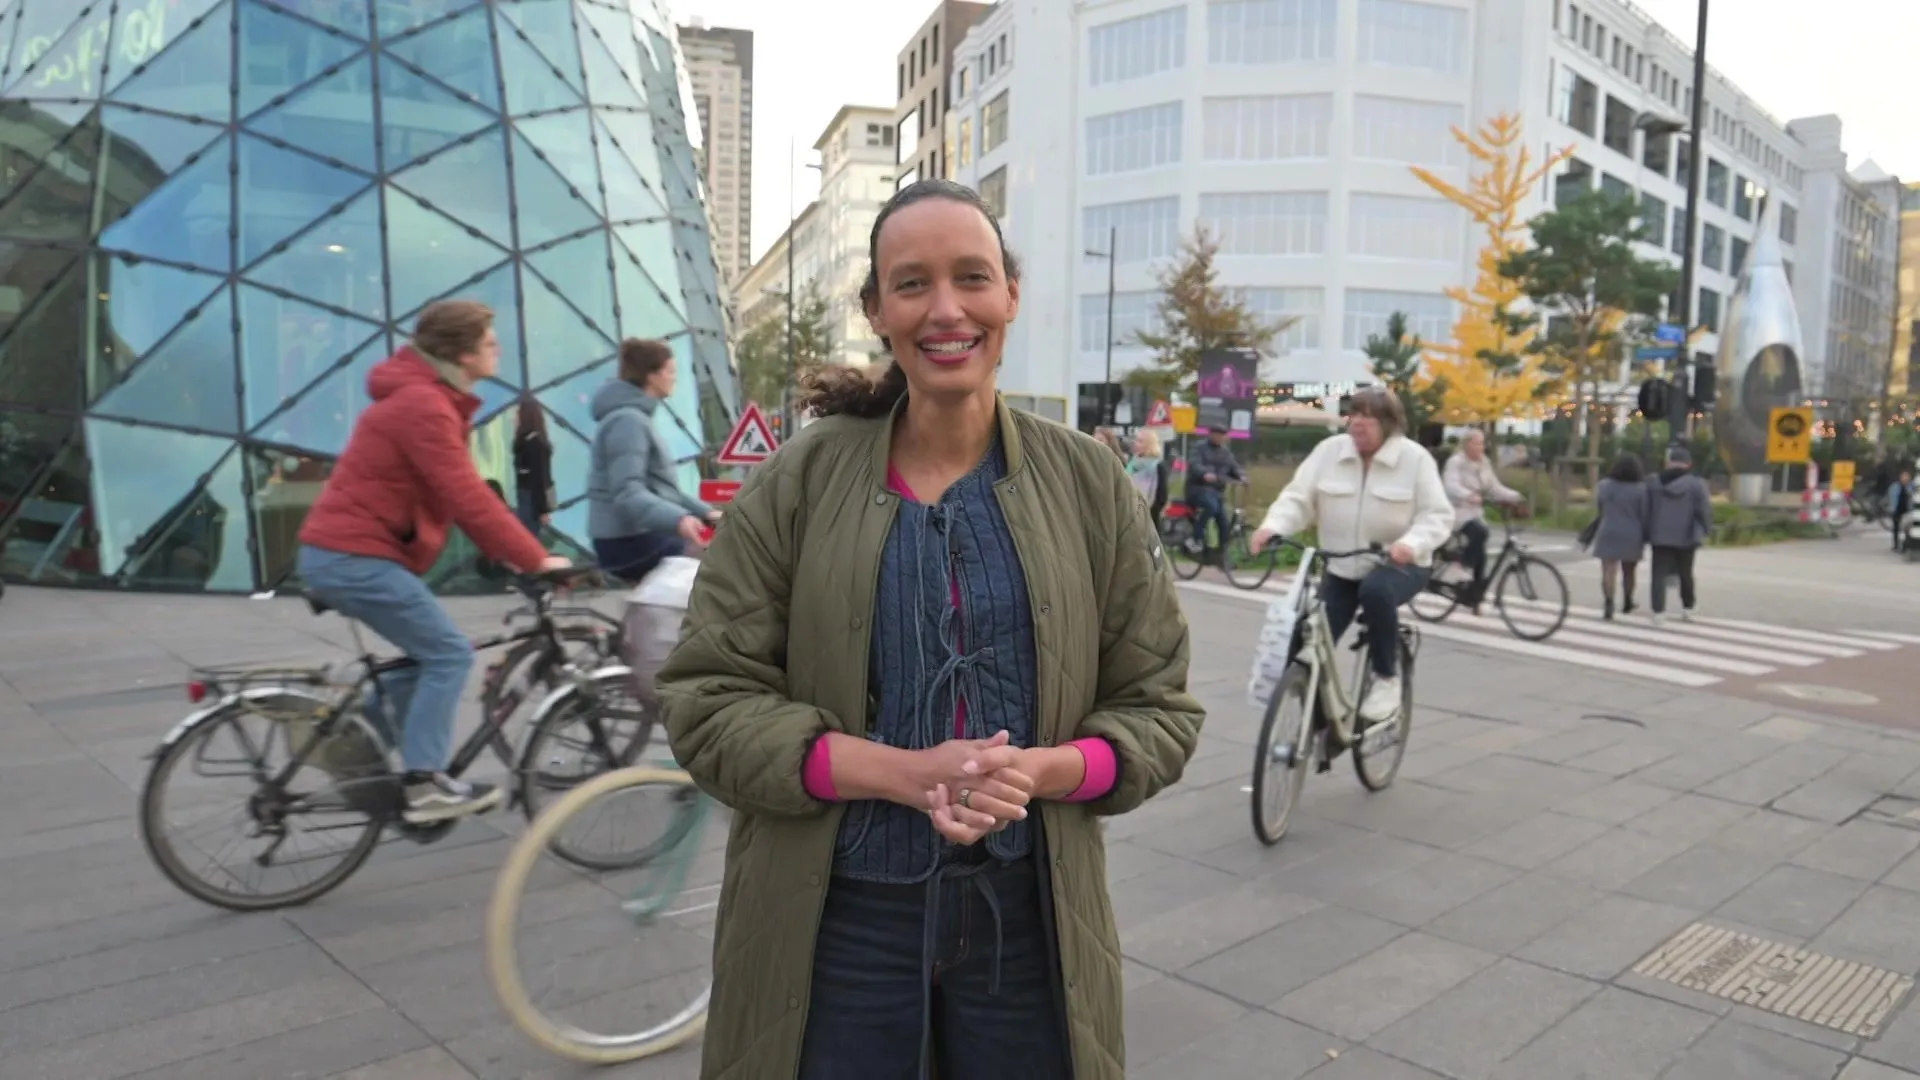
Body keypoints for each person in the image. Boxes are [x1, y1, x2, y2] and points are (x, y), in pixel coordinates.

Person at [655, 178, 1202, 1080]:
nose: (947, 310)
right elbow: (706, 702)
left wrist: (1045, 770)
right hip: (838, 925)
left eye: (972, 277)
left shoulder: (1090, 485)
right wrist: (900, 775)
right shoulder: (797, 483)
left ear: (1010, 295)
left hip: (1031, 926)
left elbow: (1160, 709)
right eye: (912, 284)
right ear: (877, 310)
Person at [296, 300, 569, 823]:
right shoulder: (423, 404)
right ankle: (424, 785)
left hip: (349, 553)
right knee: (448, 655)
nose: (497, 350)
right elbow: (466, 495)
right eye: (489, 342)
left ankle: (355, 752)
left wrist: (505, 554)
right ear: (463, 353)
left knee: (421, 660)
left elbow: (456, 498)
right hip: (351, 557)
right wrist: (535, 559)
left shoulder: (428, 399)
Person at [1249, 387, 1453, 723]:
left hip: (1399, 565)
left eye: (1368, 417)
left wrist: (1411, 544)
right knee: (1306, 642)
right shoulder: (1329, 452)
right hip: (1342, 567)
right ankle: (1320, 727)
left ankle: (1386, 679)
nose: (1357, 422)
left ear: (1388, 424)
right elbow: (1298, 498)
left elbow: (1437, 516)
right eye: (1353, 414)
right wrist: (1273, 527)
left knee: (1376, 591)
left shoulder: (1415, 460)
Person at [585, 338, 718, 582]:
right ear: (651, 376)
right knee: (727, 564)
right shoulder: (628, 421)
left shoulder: (635, 418)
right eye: (670, 371)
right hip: (627, 543)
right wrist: (679, 520)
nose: (674, 378)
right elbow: (627, 492)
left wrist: (707, 514)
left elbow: (662, 491)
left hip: (637, 536)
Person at [1441, 429, 1523, 608]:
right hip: (1456, 511)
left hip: (1475, 512)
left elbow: (1494, 487)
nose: (1481, 447)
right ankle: (1459, 566)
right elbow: (1450, 486)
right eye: (1477, 443)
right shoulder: (1456, 462)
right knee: (1480, 532)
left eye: (1482, 443)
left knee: (1481, 552)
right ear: (1467, 444)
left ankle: (1475, 594)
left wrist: (1515, 496)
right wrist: (1468, 495)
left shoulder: (1484, 463)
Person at [1645, 445, 1712, 624]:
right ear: (1688, 463)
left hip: (1659, 534)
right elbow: (1703, 510)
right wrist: (1706, 529)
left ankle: (1658, 612)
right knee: (1685, 572)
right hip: (1687, 535)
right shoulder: (1696, 484)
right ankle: (1688, 608)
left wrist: (1646, 530)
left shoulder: (1654, 482)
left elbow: (1646, 508)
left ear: (1668, 463)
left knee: (1658, 574)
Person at [1591, 453, 1652, 620]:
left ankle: (1608, 603)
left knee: (1608, 570)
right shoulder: (1641, 489)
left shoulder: (1604, 485)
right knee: (1629, 571)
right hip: (1632, 533)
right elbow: (1645, 514)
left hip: (1608, 530)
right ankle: (1627, 601)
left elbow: (1600, 507)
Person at [1185, 429, 1244, 563]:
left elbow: (1234, 467)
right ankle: (1195, 538)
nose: (1220, 438)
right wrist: (1204, 473)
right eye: (1217, 435)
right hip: (1197, 489)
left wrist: (1242, 476)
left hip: (1216, 491)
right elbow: (1194, 464)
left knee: (1223, 522)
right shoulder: (1200, 448)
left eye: (1222, 436)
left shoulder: (1225, 453)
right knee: (1211, 506)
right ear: (1211, 435)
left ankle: (1220, 553)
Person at [511, 396, 553, 536]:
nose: (514, 418)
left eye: (518, 413)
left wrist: (543, 510)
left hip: (531, 502)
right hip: (527, 499)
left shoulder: (535, 443)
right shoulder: (528, 442)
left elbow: (541, 478)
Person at [1128, 428, 1171, 531]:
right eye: (1136, 439)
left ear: (1149, 445)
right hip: (1129, 514)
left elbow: (1162, 496)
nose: (1135, 443)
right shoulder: (1131, 464)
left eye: (1140, 441)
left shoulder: (1158, 466)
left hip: (1150, 516)